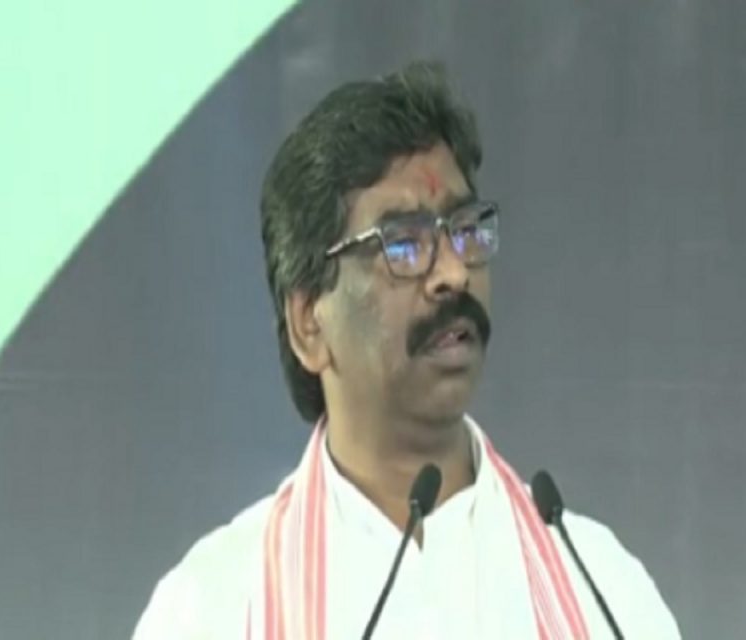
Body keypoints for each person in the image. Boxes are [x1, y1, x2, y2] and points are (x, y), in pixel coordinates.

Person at [133, 60, 681, 639]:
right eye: (404, 244)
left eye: (465, 230)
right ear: (308, 324)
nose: (454, 273)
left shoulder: (603, 590)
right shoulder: (212, 606)